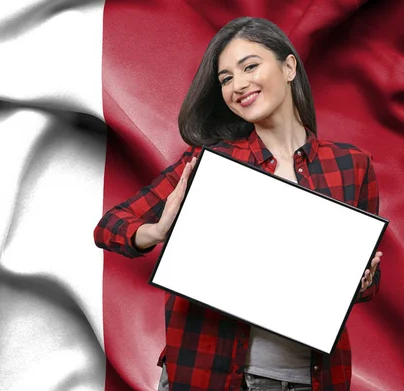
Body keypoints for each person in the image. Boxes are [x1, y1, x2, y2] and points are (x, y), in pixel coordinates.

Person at [93, 16, 383, 391]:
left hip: (310, 380)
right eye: (226, 78)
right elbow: (109, 227)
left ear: (289, 66)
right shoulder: (209, 164)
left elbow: (365, 283)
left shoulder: (352, 166)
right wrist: (158, 230)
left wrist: (361, 282)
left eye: (250, 67)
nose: (238, 85)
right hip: (207, 376)